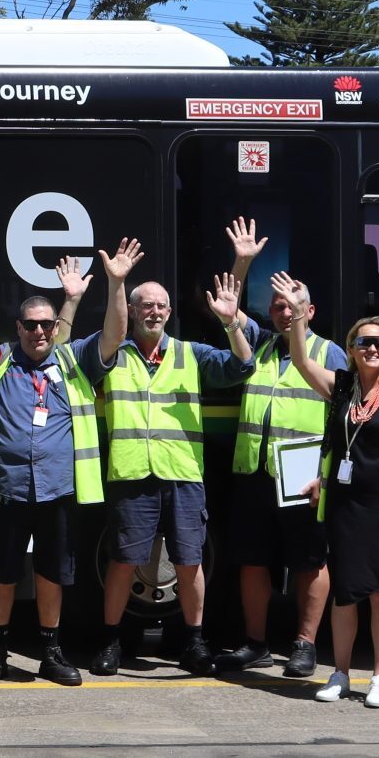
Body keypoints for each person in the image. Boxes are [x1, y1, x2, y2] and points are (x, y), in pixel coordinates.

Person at [0, 252, 127, 687]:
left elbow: (114, 334)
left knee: (52, 573)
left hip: (57, 491)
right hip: (7, 490)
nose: (37, 331)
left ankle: (51, 653)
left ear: (55, 329)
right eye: (29, 324)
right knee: (3, 572)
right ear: (18, 328)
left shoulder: (74, 363)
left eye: (46, 325)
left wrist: (114, 284)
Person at [276, 275, 379, 708]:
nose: (372, 350)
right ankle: (341, 673)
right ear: (351, 348)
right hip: (345, 505)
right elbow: (299, 360)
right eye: (364, 342)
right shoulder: (342, 387)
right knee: (346, 591)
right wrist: (296, 314)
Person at [91, 246, 255, 676]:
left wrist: (231, 321)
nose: (156, 312)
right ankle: (110, 642)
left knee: (189, 561)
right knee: (123, 561)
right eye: (147, 305)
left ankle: (194, 643)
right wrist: (117, 281)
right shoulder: (113, 354)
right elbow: (104, 338)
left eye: (162, 306)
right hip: (131, 474)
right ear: (132, 310)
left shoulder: (191, 354)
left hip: (182, 475)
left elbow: (242, 367)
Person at [215, 218, 346, 677]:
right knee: (252, 561)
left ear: (310, 311)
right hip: (255, 470)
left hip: (304, 474)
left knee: (310, 561)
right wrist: (242, 261)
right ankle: (256, 644)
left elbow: (348, 421)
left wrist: (329, 475)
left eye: (292, 306)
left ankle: (305, 644)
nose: (283, 313)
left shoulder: (331, 354)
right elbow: (229, 310)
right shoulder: (261, 347)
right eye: (276, 306)